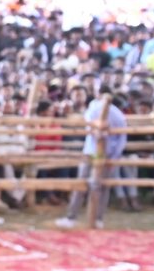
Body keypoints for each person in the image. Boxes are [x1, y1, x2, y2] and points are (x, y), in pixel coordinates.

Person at [55, 92, 128, 228]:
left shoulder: (118, 116)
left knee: (101, 186)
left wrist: (113, 157)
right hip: (90, 151)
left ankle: (97, 218)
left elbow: (121, 138)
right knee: (82, 184)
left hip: (105, 154)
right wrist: (94, 130)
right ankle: (72, 217)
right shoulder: (94, 107)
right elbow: (88, 124)